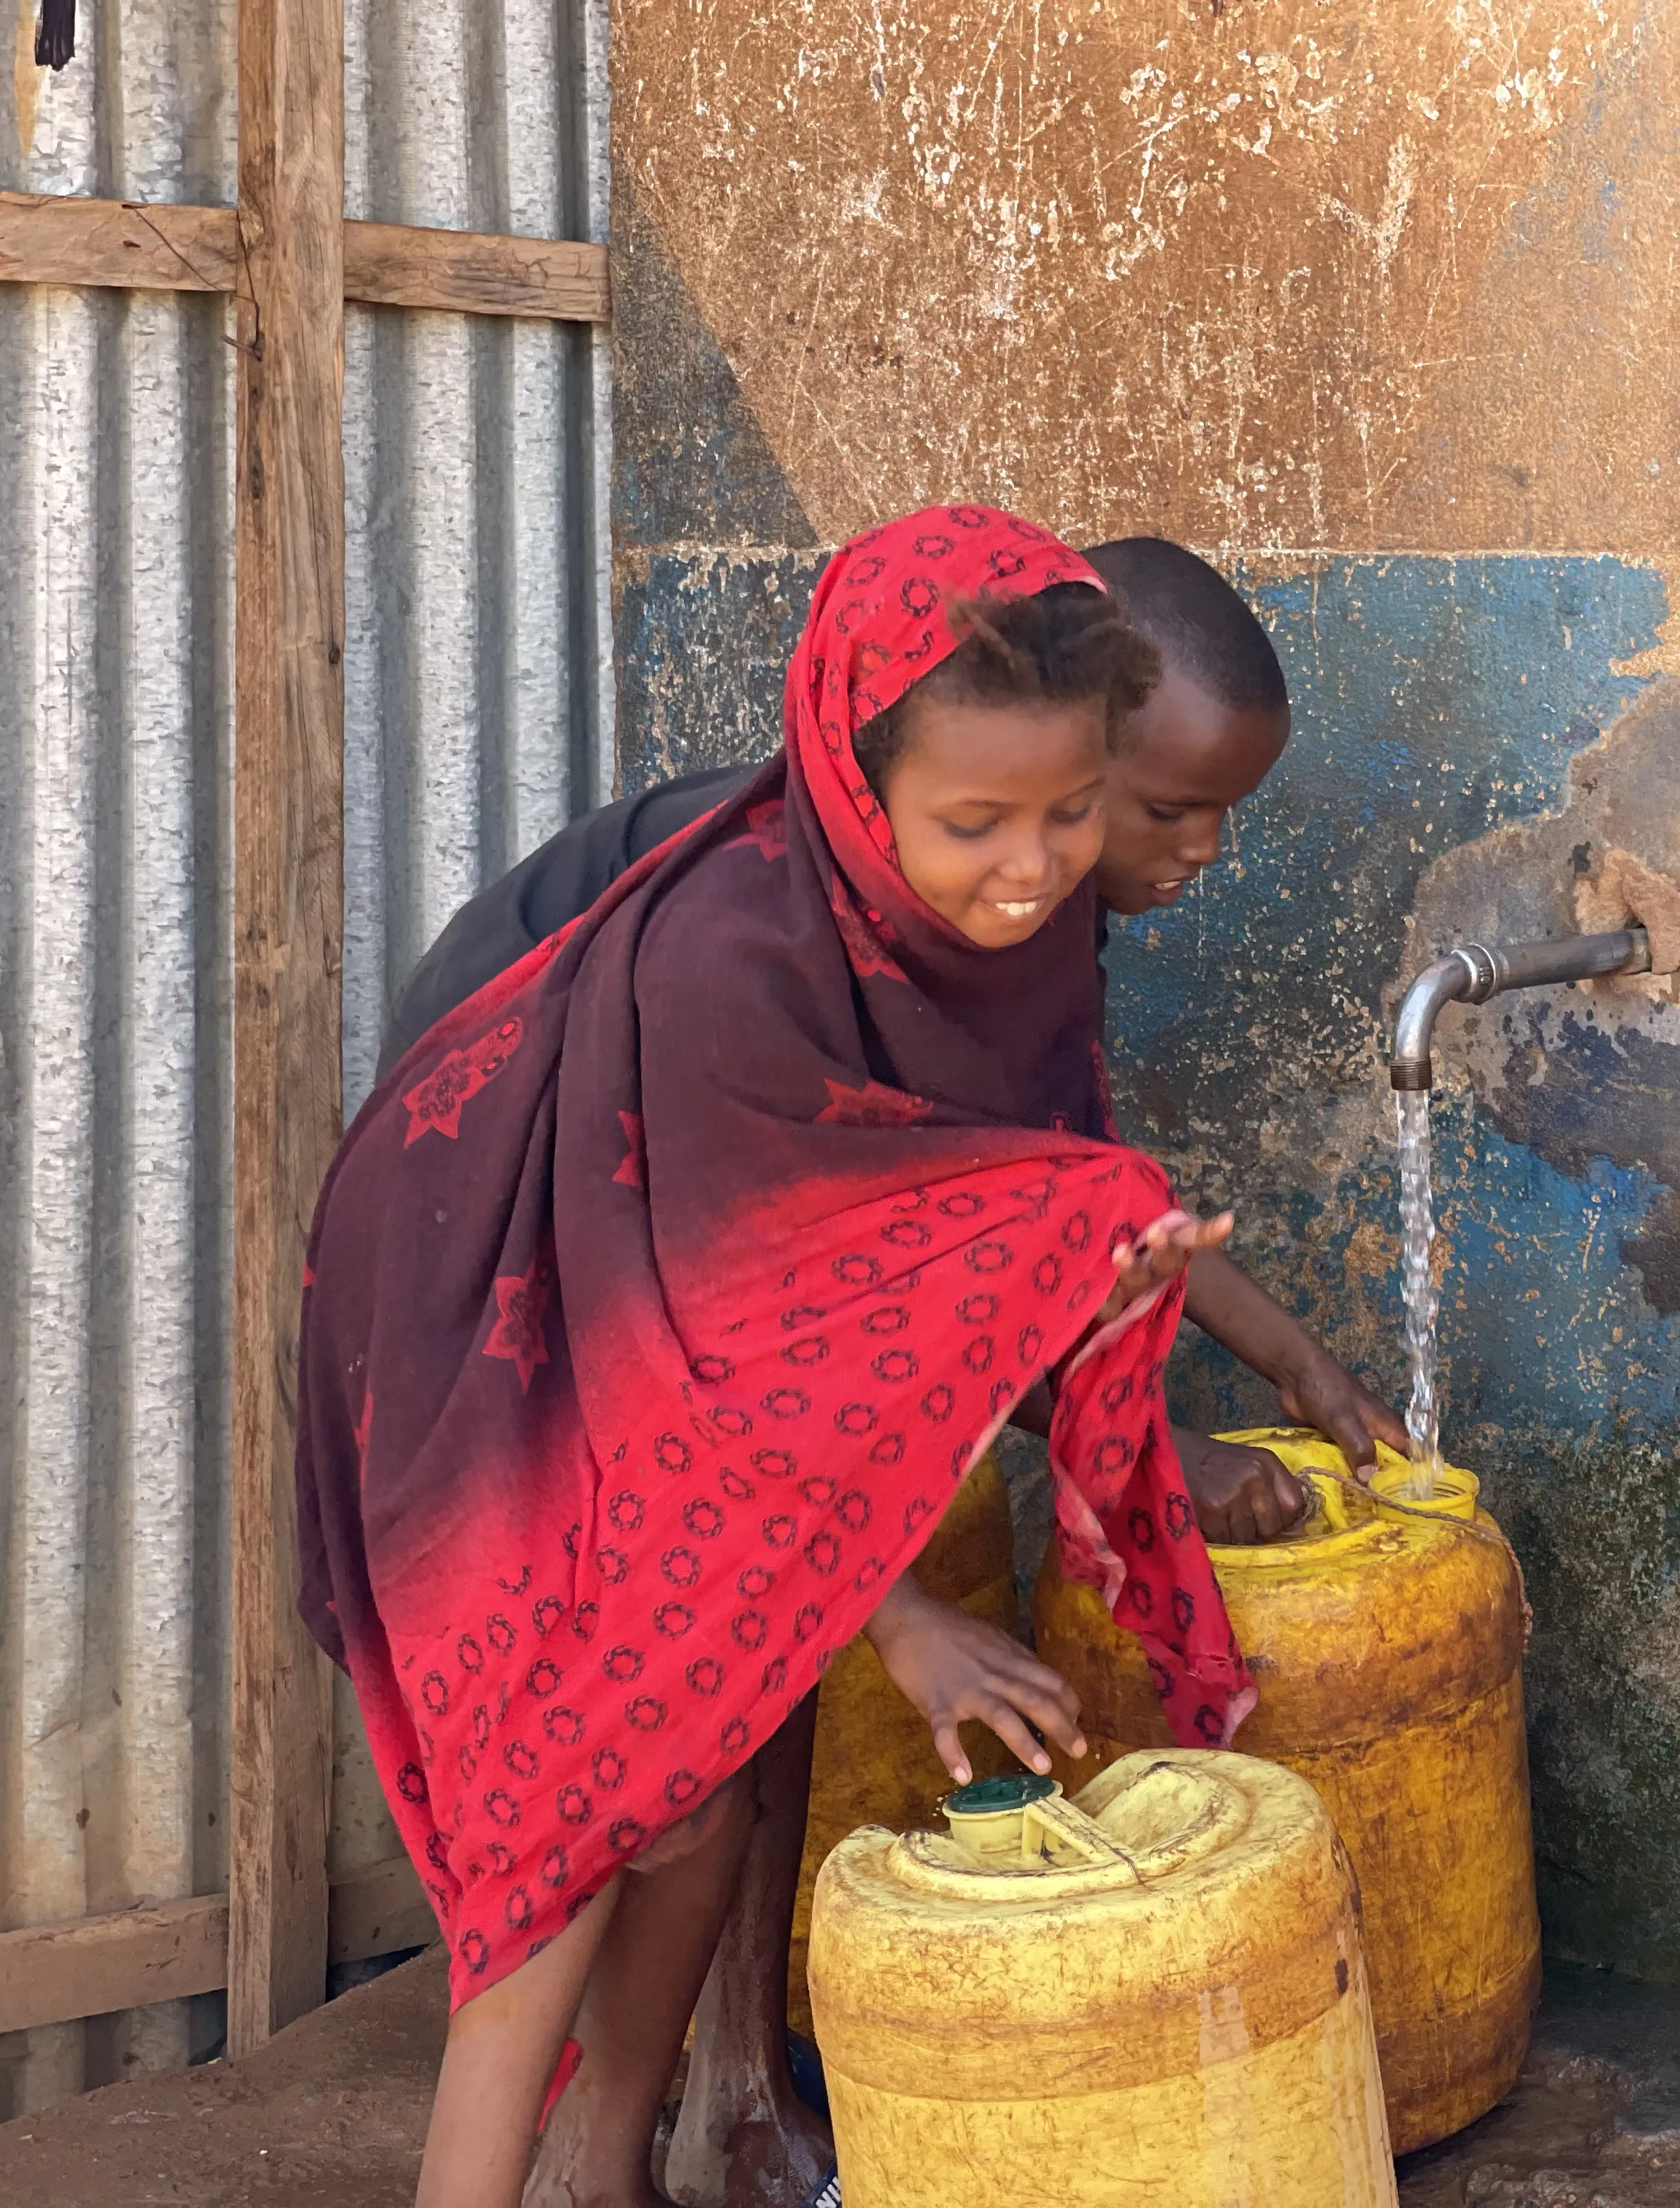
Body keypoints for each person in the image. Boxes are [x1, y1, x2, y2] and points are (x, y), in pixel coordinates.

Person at [295, 508, 1258, 2208]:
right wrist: (900, 1621)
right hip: (498, 1281)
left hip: (672, 1294)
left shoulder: (1001, 940)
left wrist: (1096, 1283)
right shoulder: (734, 967)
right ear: (850, 780)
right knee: (587, 1790)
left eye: (1070, 813)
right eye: (975, 824)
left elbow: (972, 1205)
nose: (1030, 865)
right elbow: (717, 1360)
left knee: (707, 1796)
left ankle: (614, 2178)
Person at [379, 536, 1401, 1516]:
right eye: (1170, 810)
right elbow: (837, 1287)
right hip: (508, 1125)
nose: (1206, 850)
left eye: (1224, 813)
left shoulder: (1023, 892)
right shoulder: (757, 957)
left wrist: (1304, 1369)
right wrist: (1146, 1448)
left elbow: (1057, 1184)